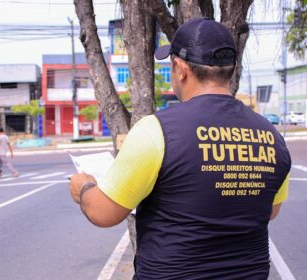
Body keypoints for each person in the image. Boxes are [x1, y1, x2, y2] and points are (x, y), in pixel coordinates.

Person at [69, 18, 291, 279]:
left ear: (181, 68)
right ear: (230, 69)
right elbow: (270, 211)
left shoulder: (157, 131)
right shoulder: (271, 136)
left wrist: (84, 187)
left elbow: (103, 212)